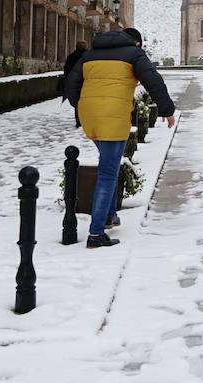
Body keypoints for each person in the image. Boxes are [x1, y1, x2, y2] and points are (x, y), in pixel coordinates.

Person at [66, 27, 177, 248]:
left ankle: (108, 216)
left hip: (90, 114)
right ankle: (96, 233)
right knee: (107, 173)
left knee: (109, 164)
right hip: (113, 115)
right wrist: (166, 109)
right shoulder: (134, 54)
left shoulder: (90, 54)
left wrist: (81, 105)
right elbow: (152, 80)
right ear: (136, 43)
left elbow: (70, 83)